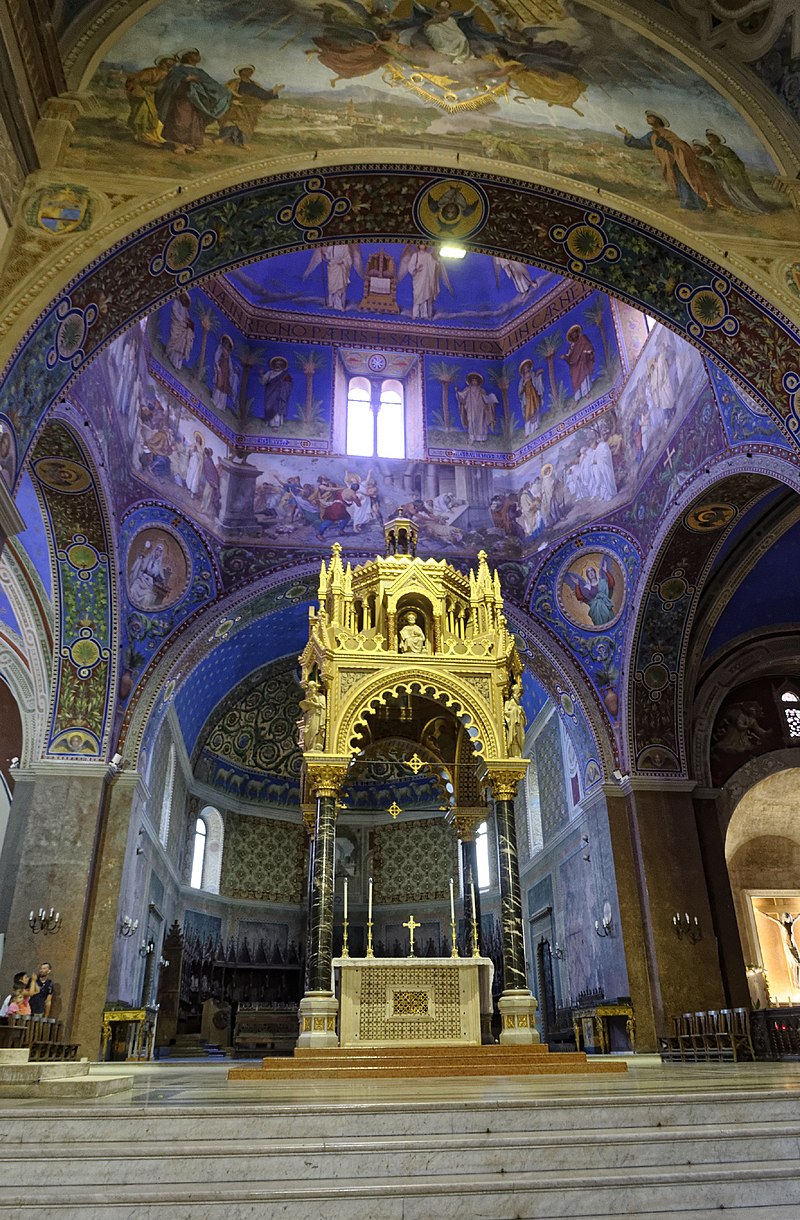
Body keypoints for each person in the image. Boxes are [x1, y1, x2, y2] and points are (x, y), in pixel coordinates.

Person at [615, 112, 709, 212]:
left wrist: (664, 142)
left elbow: (680, 146)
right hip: (669, 162)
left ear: (657, 120)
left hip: (679, 160)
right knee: (678, 180)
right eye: (647, 117)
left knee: (685, 180)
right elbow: (640, 143)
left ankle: (689, 205)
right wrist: (627, 134)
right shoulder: (651, 135)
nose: (647, 118)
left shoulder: (667, 133)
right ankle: (691, 203)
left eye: (650, 117)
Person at [154, 49, 232, 155]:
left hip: (198, 102)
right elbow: (169, 83)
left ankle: (189, 144)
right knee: (180, 121)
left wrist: (225, 92)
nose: (198, 57)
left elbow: (212, 84)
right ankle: (178, 145)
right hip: (182, 100)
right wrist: (185, 79)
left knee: (195, 123)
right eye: (195, 55)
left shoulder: (200, 72)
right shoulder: (178, 70)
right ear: (188, 56)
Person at [704, 130, 768, 214]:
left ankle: (752, 206)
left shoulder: (724, 149)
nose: (709, 138)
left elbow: (735, 161)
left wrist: (721, 160)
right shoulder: (707, 148)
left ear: (717, 138)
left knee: (740, 190)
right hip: (720, 174)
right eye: (708, 136)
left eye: (711, 136)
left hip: (731, 173)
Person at [219, 68, 284, 146]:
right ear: (241, 72)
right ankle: (222, 139)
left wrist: (274, 90)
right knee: (234, 121)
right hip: (236, 106)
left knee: (247, 126)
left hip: (250, 109)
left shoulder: (254, 84)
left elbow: (263, 94)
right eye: (246, 70)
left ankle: (243, 142)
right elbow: (226, 91)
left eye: (250, 71)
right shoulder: (234, 82)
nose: (249, 72)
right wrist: (232, 100)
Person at [564, 555, 616, 627]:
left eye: (592, 571)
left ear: (595, 573)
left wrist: (606, 571)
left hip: (607, 608)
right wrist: (577, 584)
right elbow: (580, 598)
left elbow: (611, 584)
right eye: (588, 572)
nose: (591, 573)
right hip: (596, 611)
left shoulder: (602, 582)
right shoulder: (587, 588)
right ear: (587, 575)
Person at [128, 540, 171, 610]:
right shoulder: (147, 559)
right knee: (133, 589)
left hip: (149, 585)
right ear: (155, 550)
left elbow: (162, 579)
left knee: (147, 598)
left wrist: (163, 582)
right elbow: (141, 567)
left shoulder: (159, 567)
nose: (158, 552)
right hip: (141, 580)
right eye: (157, 550)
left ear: (161, 554)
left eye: (160, 551)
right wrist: (141, 558)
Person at [456, 372, 498, 444]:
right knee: (472, 421)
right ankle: (472, 438)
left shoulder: (481, 390)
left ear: (478, 382)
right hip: (471, 409)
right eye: (473, 380)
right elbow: (462, 396)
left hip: (480, 409)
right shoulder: (467, 389)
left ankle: (481, 439)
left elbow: (486, 398)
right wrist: (457, 392)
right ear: (471, 382)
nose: (474, 382)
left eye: (475, 380)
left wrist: (492, 399)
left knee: (481, 422)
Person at [762, 911, 800, 989]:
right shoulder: (782, 924)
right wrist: (763, 914)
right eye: (785, 917)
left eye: (788, 917)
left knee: (797, 965)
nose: (787, 919)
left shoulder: (791, 923)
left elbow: (798, 916)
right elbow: (772, 919)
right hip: (789, 947)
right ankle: (796, 982)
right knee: (796, 964)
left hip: (794, 946)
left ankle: (797, 982)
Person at [562, 324, 595, 402]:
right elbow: (569, 355)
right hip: (575, 365)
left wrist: (586, 351)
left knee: (583, 375)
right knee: (575, 379)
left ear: (577, 333)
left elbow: (588, 346)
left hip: (582, 361)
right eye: (572, 334)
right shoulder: (572, 346)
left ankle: (586, 392)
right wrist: (565, 357)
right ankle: (577, 397)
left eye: (574, 333)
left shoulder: (583, 339)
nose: (574, 335)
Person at [259, 356, 292, 428]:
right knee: (268, 406)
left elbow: (288, 385)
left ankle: (275, 425)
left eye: (280, 365)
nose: (278, 366)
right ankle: (268, 422)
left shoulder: (285, 375)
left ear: (283, 366)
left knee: (277, 408)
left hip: (279, 395)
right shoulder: (270, 373)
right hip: (270, 393)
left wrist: (284, 385)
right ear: (273, 365)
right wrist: (262, 375)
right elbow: (264, 382)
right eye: (276, 364)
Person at [165, 291, 195, 370]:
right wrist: (182, 321)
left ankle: (177, 364)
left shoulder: (185, 310)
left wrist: (188, 323)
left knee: (183, 341)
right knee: (174, 339)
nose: (184, 300)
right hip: (177, 325)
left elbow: (187, 318)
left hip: (183, 327)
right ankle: (168, 353)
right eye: (183, 298)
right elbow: (175, 312)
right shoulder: (176, 303)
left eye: (185, 300)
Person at [518, 357, 544, 435]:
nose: (527, 369)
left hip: (533, 394)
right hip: (527, 398)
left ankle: (536, 426)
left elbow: (536, 381)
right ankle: (528, 431)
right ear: (523, 370)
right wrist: (524, 383)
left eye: (528, 367)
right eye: (525, 368)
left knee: (535, 408)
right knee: (528, 412)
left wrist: (538, 375)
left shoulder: (532, 375)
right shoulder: (522, 380)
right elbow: (520, 391)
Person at [504, 680, 526, 756]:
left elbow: (524, 720)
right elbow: (506, 713)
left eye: (519, 693)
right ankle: (512, 753)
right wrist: (514, 711)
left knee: (519, 738)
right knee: (513, 738)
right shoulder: (507, 703)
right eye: (517, 692)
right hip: (512, 725)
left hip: (518, 726)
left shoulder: (519, 705)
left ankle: (517, 753)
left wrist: (520, 712)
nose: (518, 695)